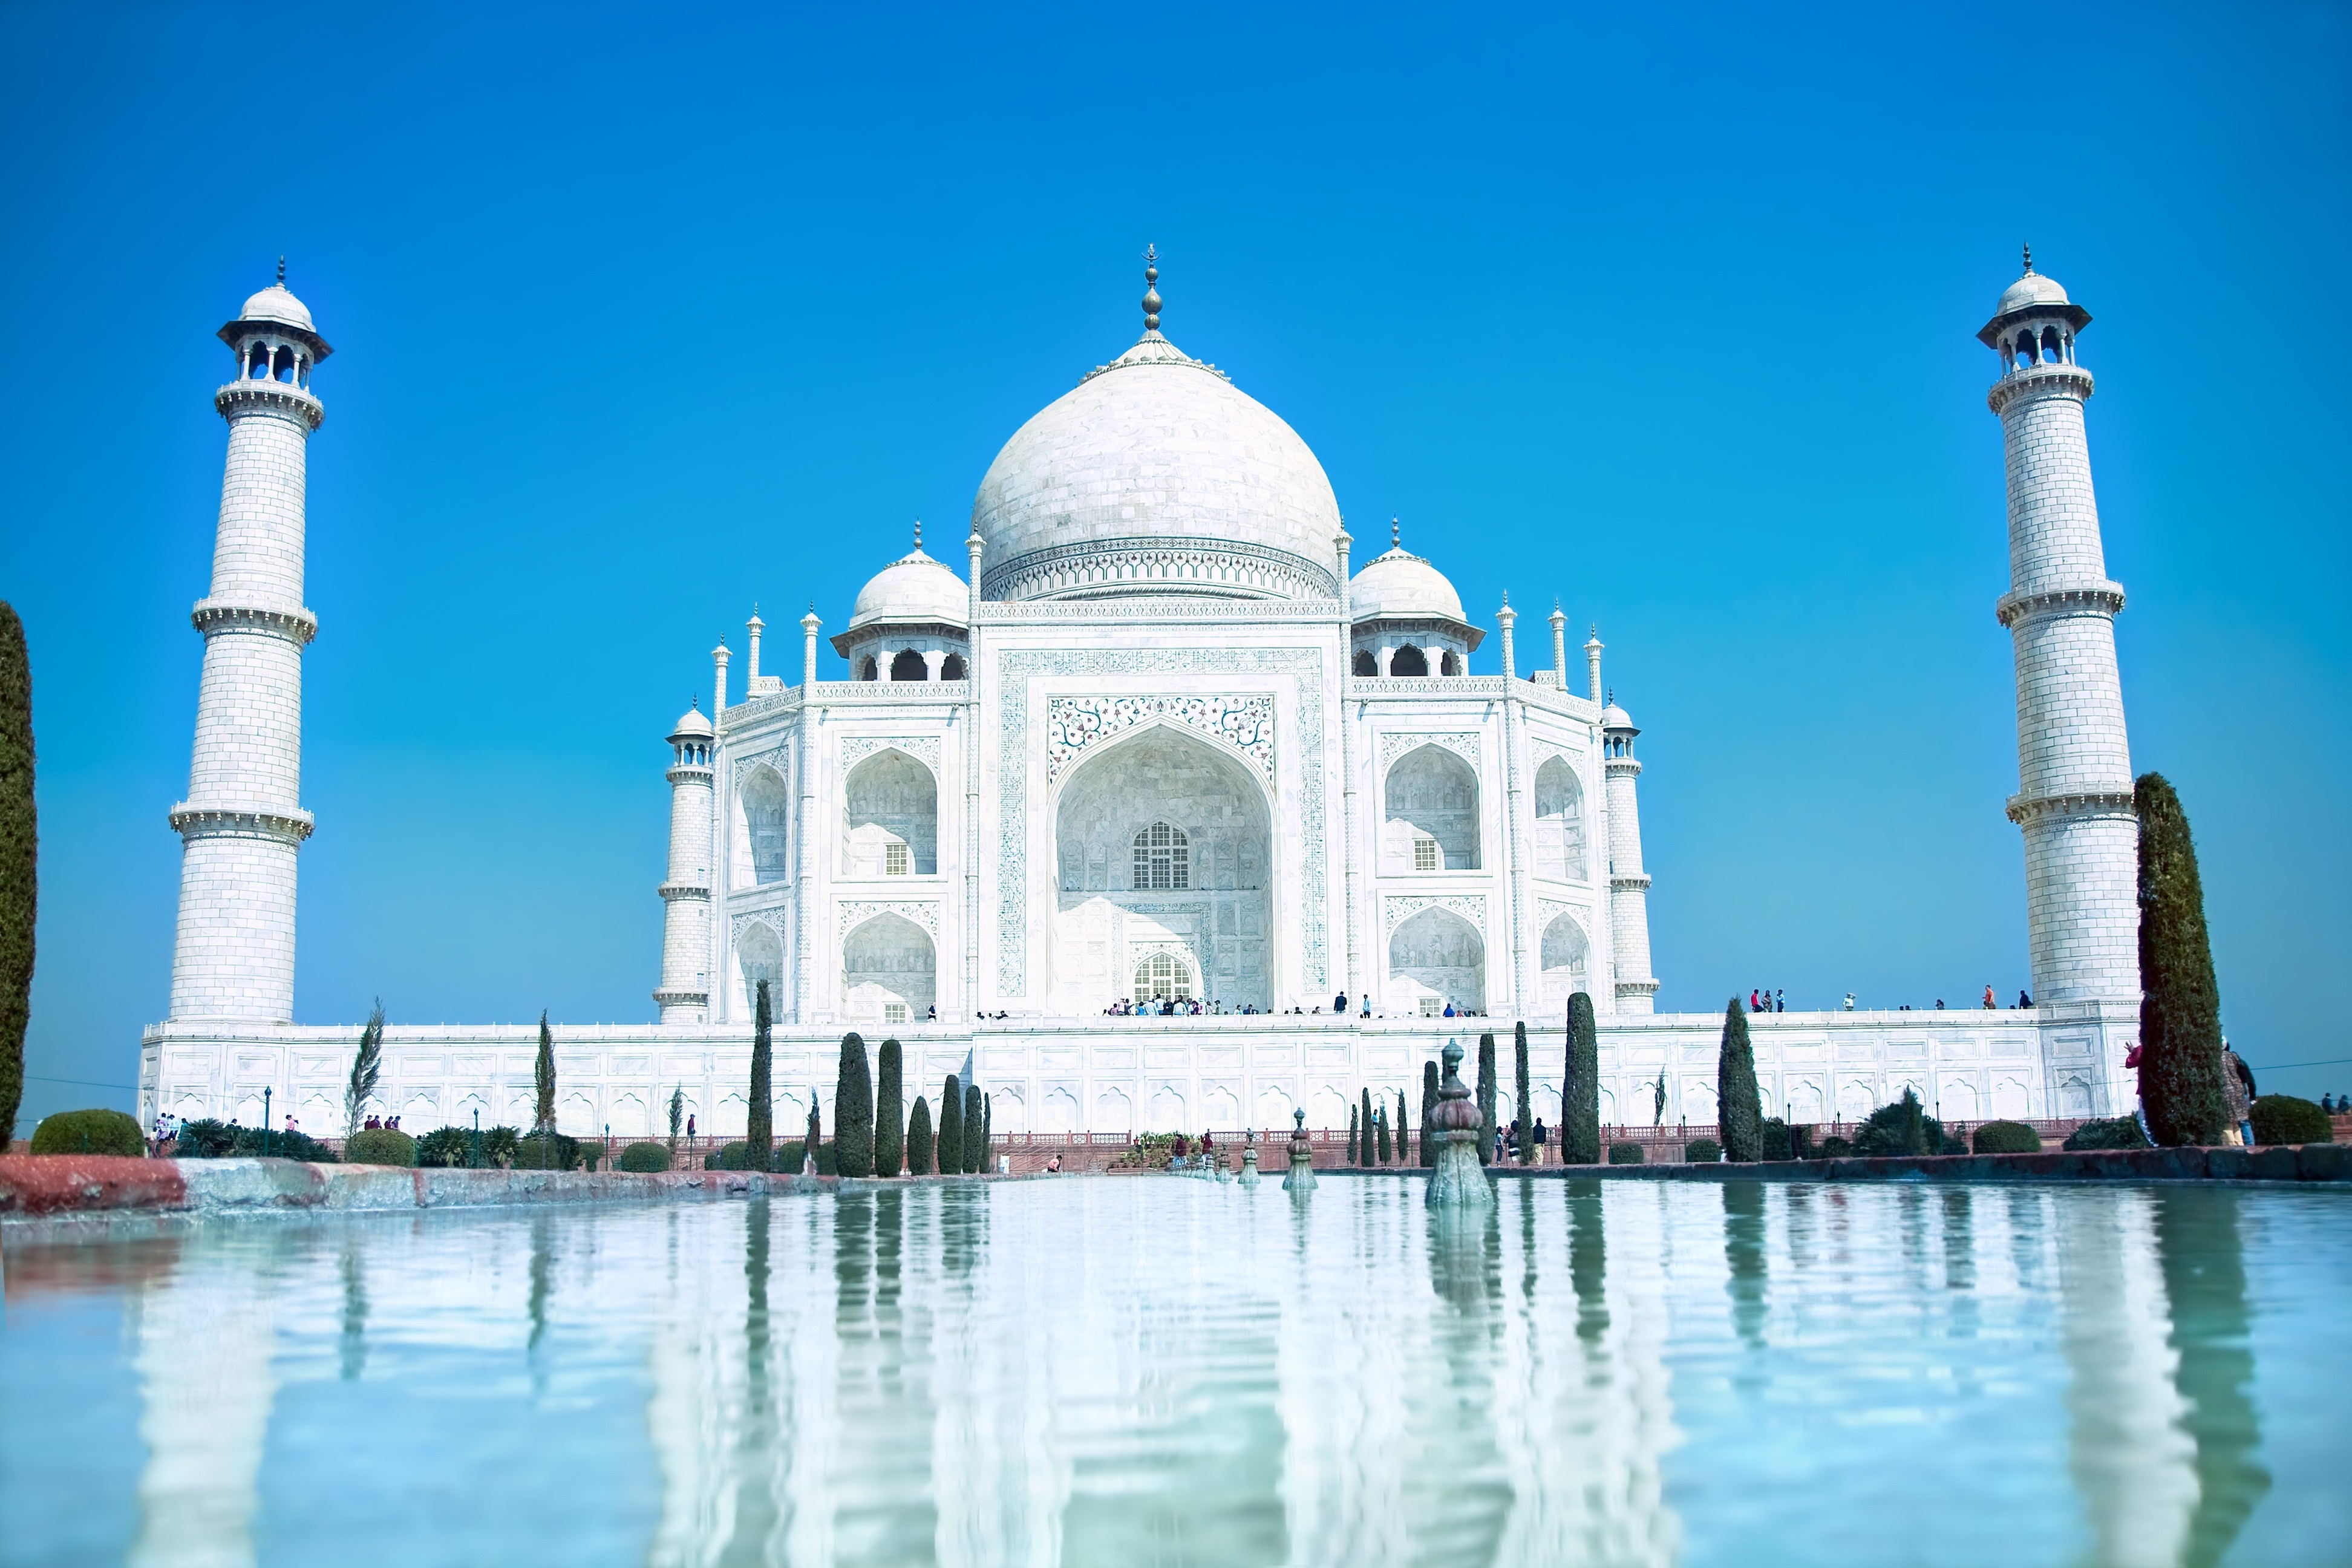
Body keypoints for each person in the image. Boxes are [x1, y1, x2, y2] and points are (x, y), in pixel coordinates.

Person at [2223, 1044, 2256, 1146]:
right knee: (2242, 1123)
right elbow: (2249, 1079)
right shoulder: (2237, 1059)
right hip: (2241, 1094)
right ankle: (2249, 1147)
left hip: (2226, 1095)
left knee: (2227, 1124)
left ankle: (2232, 1149)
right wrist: (2253, 1096)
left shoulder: (2217, 1060)